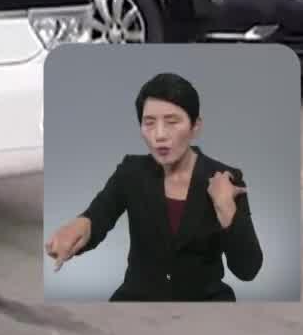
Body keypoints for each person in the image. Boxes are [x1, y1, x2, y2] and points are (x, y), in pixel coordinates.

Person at [45, 72, 264, 301]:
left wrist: (225, 207)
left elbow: (248, 269)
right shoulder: (131, 172)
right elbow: (98, 216)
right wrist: (76, 228)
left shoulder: (225, 179)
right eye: (149, 123)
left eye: (172, 122)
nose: (159, 135)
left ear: (195, 126)